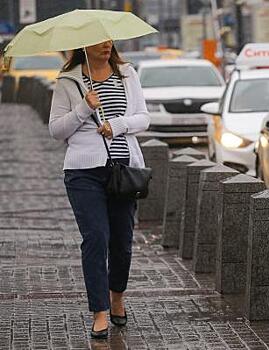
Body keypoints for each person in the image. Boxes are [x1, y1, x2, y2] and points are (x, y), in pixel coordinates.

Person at [49, 40, 150, 339]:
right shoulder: (68, 81)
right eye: (100, 41)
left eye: (109, 40)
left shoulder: (126, 74)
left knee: (122, 241)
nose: (107, 45)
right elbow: (56, 130)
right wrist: (83, 109)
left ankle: (116, 296)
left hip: (122, 170)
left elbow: (143, 118)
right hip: (83, 172)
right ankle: (100, 312)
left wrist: (116, 125)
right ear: (84, 45)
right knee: (95, 238)